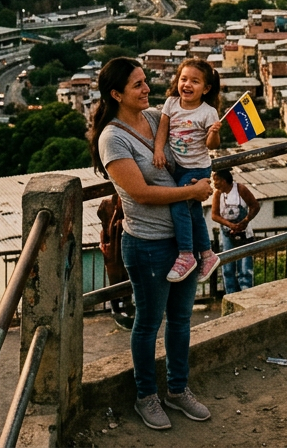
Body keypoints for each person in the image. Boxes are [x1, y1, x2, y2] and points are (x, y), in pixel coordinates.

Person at [91, 57, 213, 431]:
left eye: (146, 81)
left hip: (183, 241)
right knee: (148, 323)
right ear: (116, 94)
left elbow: (191, 137)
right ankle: (146, 395)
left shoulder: (156, 115)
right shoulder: (112, 138)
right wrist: (191, 191)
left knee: (180, 320)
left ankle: (178, 389)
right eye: (137, 85)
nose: (148, 89)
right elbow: (141, 193)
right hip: (147, 244)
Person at [153, 58, 222, 282]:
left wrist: (213, 132)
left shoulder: (208, 112)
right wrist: (158, 151)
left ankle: (186, 255)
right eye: (184, 79)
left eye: (195, 81)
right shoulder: (171, 104)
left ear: (206, 88)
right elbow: (162, 130)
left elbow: (212, 146)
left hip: (198, 168)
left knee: (179, 204)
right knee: (193, 214)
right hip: (178, 167)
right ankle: (207, 254)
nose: (187, 85)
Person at [211, 170, 260, 294]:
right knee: (228, 267)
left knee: (245, 267)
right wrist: (230, 225)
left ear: (224, 180)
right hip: (227, 234)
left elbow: (255, 206)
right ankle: (231, 294)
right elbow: (214, 215)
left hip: (244, 234)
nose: (214, 183)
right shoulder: (218, 194)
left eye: (216, 180)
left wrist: (245, 221)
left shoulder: (240, 189)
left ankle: (246, 293)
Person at [98, 192, 133, 329]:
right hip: (112, 249)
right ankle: (116, 308)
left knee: (126, 275)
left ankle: (127, 305)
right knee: (115, 278)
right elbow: (104, 224)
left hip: (120, 245)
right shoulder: (107, 206)